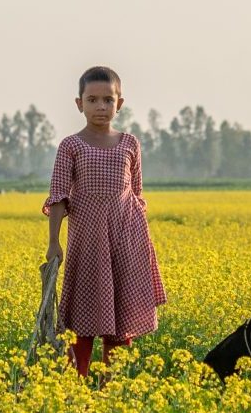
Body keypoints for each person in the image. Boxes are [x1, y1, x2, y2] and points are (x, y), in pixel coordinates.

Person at [42, 65, 167, 376]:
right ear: (79, 104)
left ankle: (110, 394)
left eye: (108, 100)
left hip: (127, 240)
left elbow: (136, 195)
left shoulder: (130, 144)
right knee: (81, 322)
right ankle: (75, 391)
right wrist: (54, 242)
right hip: (87, 242)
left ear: (119, 104)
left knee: (120, 322)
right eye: (93, 99)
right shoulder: (71, 146)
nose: (101, 106)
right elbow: (58, 196)